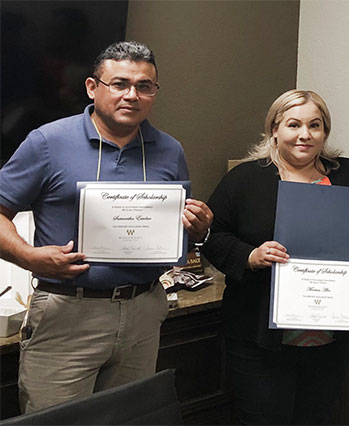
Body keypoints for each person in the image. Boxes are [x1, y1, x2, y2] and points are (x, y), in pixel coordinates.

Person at [0, 41, 213, 412]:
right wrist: (30, 258)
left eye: (144, 86)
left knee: (127, 419)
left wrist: (198, 229)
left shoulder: (169, 150)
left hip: (144, 310)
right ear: (92, 87)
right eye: (119, 84)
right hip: (69, 312)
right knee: (56, 422)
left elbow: (178, 231)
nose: (132, 94)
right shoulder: (48, 142)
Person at [202, 89, 349, 425]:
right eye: (293, 125)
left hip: (331, 340)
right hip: (258, 341)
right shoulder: (244, 180)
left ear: (325, 132)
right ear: (274, 129)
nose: (305, 135)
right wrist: (250, 255)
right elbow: (212, 236)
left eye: (314, 125)